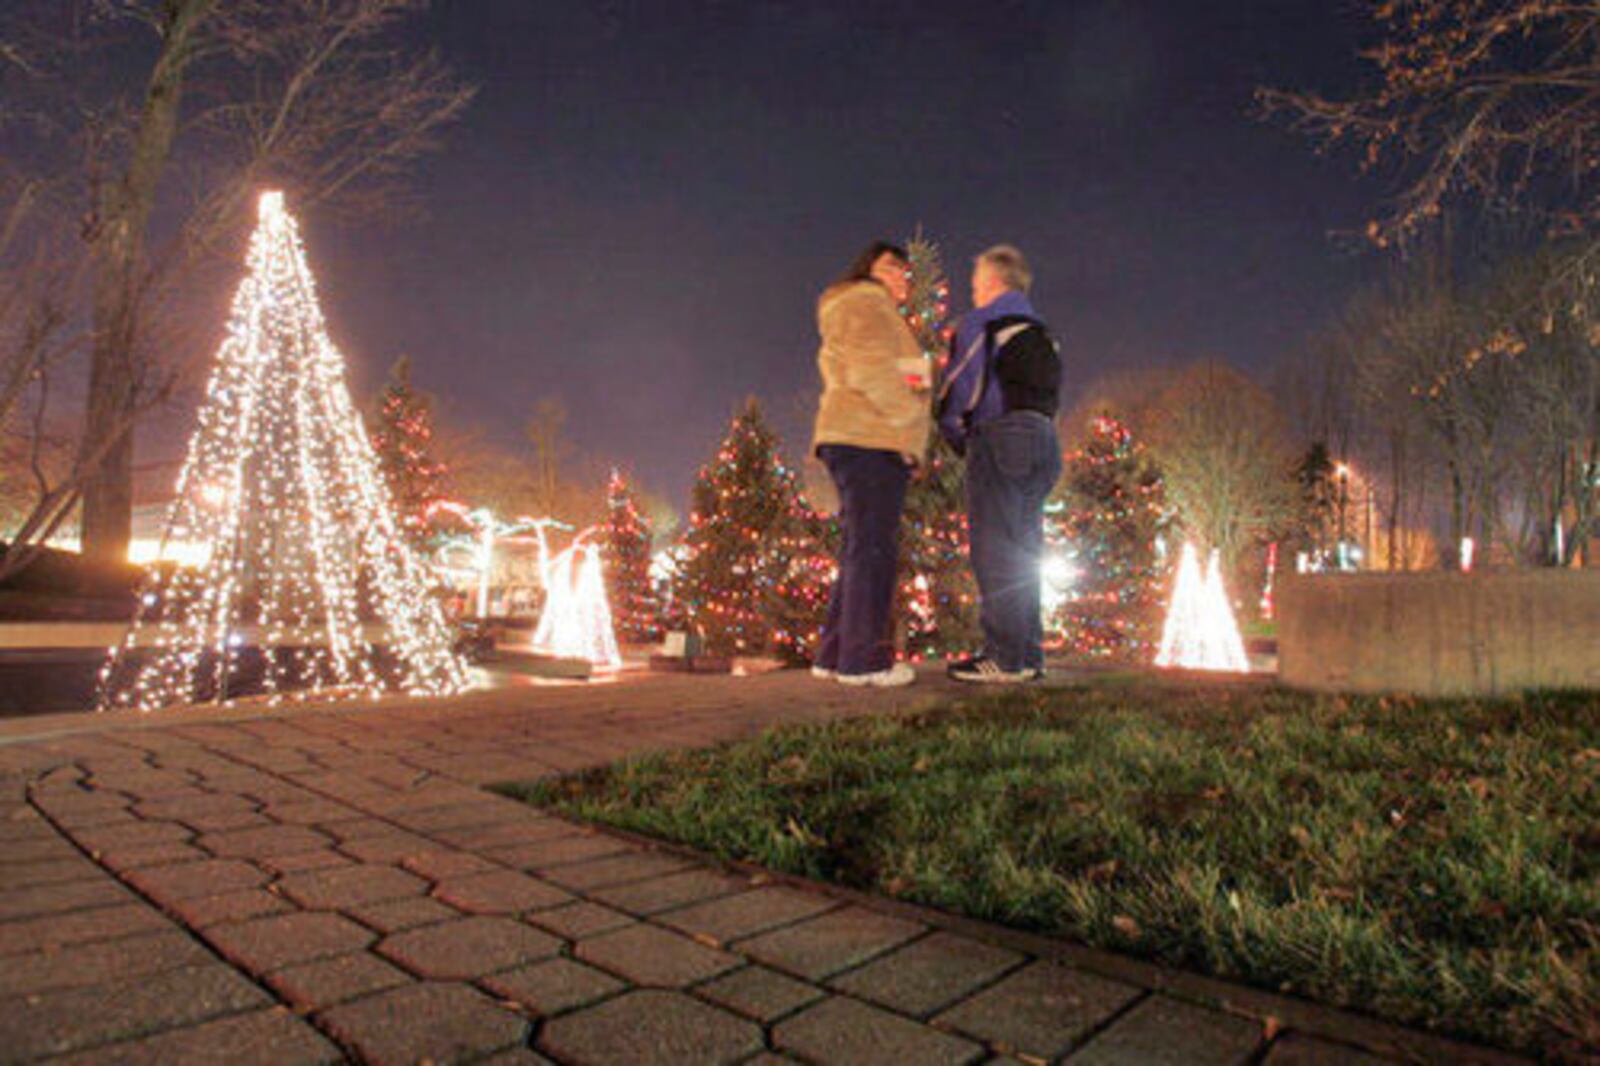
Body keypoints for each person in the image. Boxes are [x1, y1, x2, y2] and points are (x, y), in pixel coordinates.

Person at [938, 244, 1061, 683]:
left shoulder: (981, 323)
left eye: (975, 285)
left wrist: (954, 434)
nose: (972, 294)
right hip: (1043, 439)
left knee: (994, 549)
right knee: (1026, 547)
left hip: (1000, 437)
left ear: (992, 283)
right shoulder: (1041, 332)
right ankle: (1028, 654)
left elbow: (960, 388)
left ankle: (1003, 657)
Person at [811, 240, 930, 687]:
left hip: (863, 436)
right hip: (870, 437)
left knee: (860, 546)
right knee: (873, 549)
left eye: (904, 271)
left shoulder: (885, 316)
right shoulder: (866, 302)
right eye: (890, 267)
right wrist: (905, 426)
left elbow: (914, 381)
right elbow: (873, 370)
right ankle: (864, 662)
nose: (901, 276)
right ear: (867, 272)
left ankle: (835, 652)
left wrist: (916, 435)